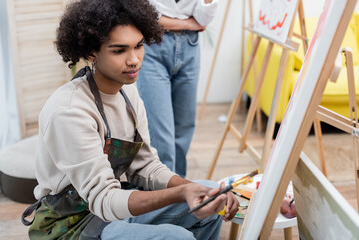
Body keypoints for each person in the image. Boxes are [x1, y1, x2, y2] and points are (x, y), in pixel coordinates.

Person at [21, 0, 239, 239]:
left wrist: (199, 191)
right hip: (71, 226)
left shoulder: (127, 92)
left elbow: (146, 167)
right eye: (119, 50)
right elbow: (103, 199)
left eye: (139, 46)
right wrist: (182, 193)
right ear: (92, 52)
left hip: (111, 210)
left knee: (206, 203)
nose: (134, 59)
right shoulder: (70, 110)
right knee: (177, 237)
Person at [136, 0, 218, 178]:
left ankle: (178, 187)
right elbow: (145, 15)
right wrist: (189, 23)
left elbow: (203, 19)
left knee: (184, 127)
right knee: (160, 132)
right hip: (153, 47)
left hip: (190, 46)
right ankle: (163, 190)